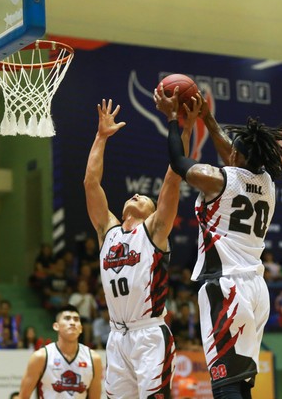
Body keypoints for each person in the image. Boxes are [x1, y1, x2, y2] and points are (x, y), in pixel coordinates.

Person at [155, 85, 282, 399]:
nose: (228, 152)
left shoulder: (216, 179)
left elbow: (178, 161)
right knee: (240, 382)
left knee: (225, 384)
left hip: (227, 288)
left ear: (236, 156)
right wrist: (208, 118)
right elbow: (232, 152)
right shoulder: (267, 183)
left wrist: (174, 119)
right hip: (256, 290)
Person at [84, 99, 193, 398]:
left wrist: (184, 130)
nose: (135, 194)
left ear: (154, 210)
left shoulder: (155, 230)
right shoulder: (107, 230)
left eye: (144, 197)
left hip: (149, 335)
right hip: (117, 336)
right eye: (134, 195)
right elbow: (91, 183)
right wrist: (100, 137)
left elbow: (173, 177)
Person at [18, 305, 102, 399]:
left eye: (76, 319)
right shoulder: (41, 357)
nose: (72, 322)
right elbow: (23, 397)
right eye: (67, 318)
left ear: (81, 329)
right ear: (56, 326)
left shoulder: (94, 359)